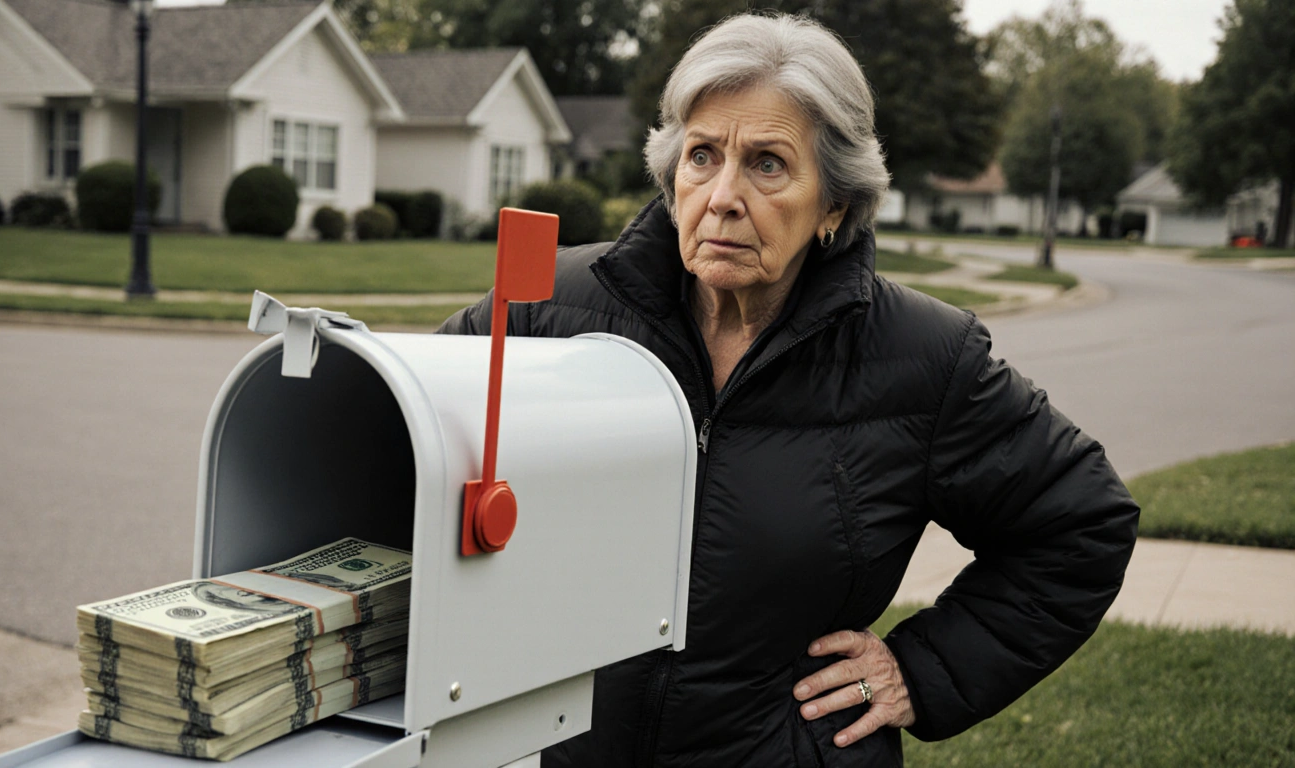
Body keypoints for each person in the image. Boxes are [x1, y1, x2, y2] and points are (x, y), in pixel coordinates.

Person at [440, 12, 1137, 767]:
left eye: (767, 164)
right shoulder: (551, 303)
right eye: (702, 156)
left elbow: (1082, 525)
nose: (724, 195)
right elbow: (395, 434)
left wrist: (922, 670)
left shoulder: (925, 356)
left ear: (834, 203)